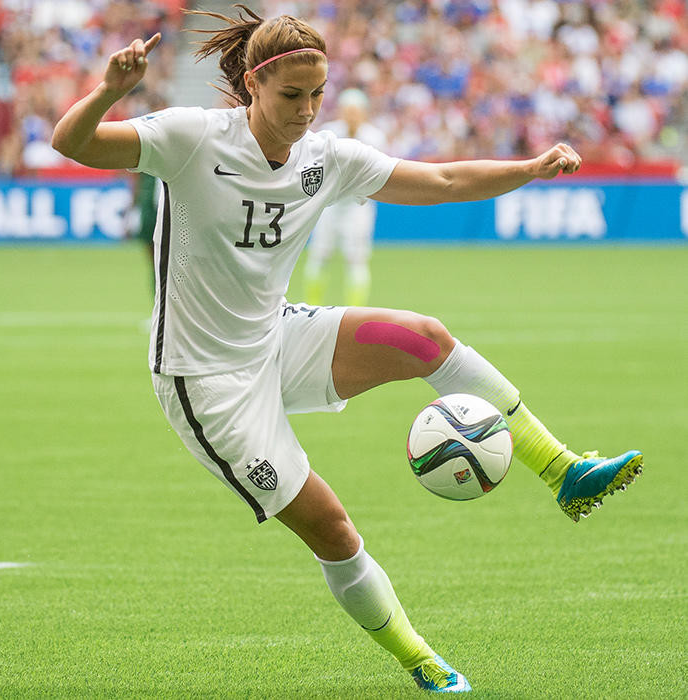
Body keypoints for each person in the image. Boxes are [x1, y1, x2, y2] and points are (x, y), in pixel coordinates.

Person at [51, 6, 643, 694]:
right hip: (207, 382)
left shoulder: (324, 157)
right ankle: (420, 659)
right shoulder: (190, 139)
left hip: (276, 337)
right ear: (251, 85)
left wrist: (530, 168)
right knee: (333, 530)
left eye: (317, 96)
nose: (306, 112)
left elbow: (444, 182)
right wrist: (107, 92)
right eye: (290, 97)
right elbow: (76, 144)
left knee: (421, 336)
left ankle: (562, 470)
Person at [303, 88, 387, 306]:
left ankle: (356, 311)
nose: (351, 115)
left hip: (358, 207)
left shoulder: (375, 137)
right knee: (319, 257)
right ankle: (312, 305)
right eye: (347, 110)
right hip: (329, 206)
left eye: (355, 110)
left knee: (357, 261)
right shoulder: (330, 133)